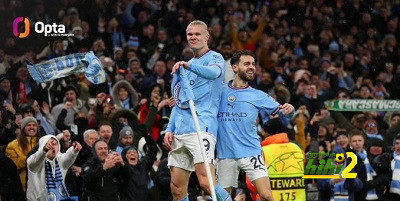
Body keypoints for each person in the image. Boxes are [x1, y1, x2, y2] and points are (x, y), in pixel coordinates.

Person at [163, 20, 231, 201]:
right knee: (176, 187)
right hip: (181, 130)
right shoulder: (183, 67)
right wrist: (170, 129)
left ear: (207, 36)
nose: (193, 37)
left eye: (197, 34)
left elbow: (214, 73)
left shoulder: (215, 58)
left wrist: (189, 66)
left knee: (206, 182)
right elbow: (179, 102)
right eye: (190, 34)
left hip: (202, 127)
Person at [216, 50, 294, 201]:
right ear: (234, 68)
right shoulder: (219, 91)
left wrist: (290, 109)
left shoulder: (258, 95)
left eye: (253, 64)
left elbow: (286, 112)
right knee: (222, 199)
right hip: (225, 154)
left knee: (266, 196)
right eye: (247, 64)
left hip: (251, 152)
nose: (251, 67)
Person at [26, 135, 82, 201]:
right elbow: (33, 163)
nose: (52, 146)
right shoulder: (36, 158)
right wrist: (44, 150)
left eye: (55, 144)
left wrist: (74, 150)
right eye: (49, 144)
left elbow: (68, 157)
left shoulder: (60, 158)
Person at [6, 116, 43, 191]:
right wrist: (31, 157)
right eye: (28, 125)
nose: (32, 127)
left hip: (42, 185)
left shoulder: (43, 143)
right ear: (23, 128)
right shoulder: (12, 146)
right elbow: (12, 166)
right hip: (22, 187)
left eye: (34, 125)